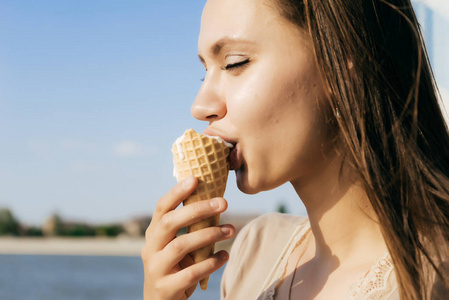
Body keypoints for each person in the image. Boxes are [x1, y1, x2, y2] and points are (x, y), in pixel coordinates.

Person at [141, 0, 449, 299]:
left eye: (235, 63)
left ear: (338, 66)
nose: (200, 106)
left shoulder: (438, 275)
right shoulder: (255, 250)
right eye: (204, 72)